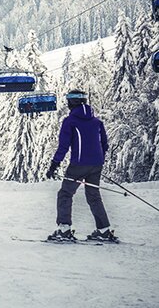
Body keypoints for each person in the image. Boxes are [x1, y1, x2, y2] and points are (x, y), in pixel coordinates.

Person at [45, 90, 117, 242]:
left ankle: (64, 230)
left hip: (78, 165)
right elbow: (104, 144)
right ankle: (103, 230)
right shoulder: (97, 122)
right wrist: (97, 160)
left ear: (72, 103)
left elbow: (63, 146)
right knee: (94, 196)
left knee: (65, 194)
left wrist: (54, 164)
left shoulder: (70, 121)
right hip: (96, 164)